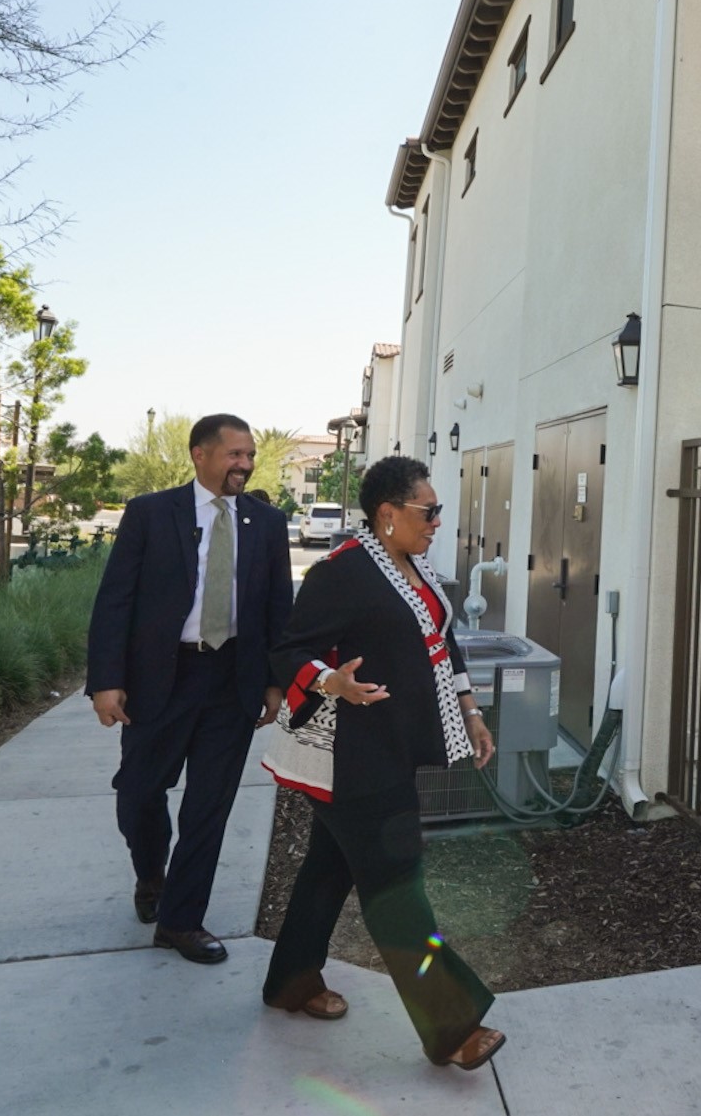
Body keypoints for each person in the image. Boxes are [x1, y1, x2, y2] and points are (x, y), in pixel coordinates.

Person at [258, 456, 505, 1071]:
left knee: (328, 869)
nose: (439, 523)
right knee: (396, 885)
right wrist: (332, 681)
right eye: (430, 511)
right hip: (352, 761)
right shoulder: (341, 573)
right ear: (388, 514)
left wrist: (471, 709)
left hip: (391, 750)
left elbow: (443, 642)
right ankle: (452, 1027)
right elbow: (288, 649)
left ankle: (290, 980)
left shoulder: (415, 568)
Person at [85, 414, 293, 964]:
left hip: (233, 680)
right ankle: (152, 874)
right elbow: (115, 601)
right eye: (234, 455)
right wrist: (106, 681)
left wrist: (275, 682)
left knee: (210, 805)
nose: (245, 465)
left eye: (249, 456)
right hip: (161, 678)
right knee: (138, 792)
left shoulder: (266, 524)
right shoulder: (151, 513)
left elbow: (278, 609)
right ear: (200, 454)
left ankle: (181, 920)